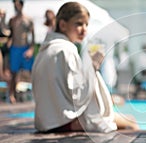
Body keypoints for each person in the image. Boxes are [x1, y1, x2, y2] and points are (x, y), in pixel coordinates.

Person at [32, 2, 139, 133]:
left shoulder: (45, 50)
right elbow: (78, 96)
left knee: (124, 121)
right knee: (131, 123)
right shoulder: (66, 50)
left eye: (86, 24)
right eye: (78, 23)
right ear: (63, 25)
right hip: (64, 122)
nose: (84, 29)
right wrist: (93, 66)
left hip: (46, 121)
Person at [8, 0, 35, 103]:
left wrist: (31, 49)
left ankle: (36, 94)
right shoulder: (12, 20)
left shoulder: (28, 20)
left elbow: (32, 36)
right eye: (14, 5)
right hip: (15, 48)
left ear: (22, 5)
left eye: (17, 5)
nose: (16, 7)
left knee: (31, 72)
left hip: (25, 48)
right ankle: (11, 95)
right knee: (13, 74)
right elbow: (7, 33)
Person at [0, 9, 11, 81]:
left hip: (6, 50)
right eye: (1, 14)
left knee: (7, 69)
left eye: (3, 14)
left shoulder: (7, 26)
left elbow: (10, 36)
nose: (2, 16)